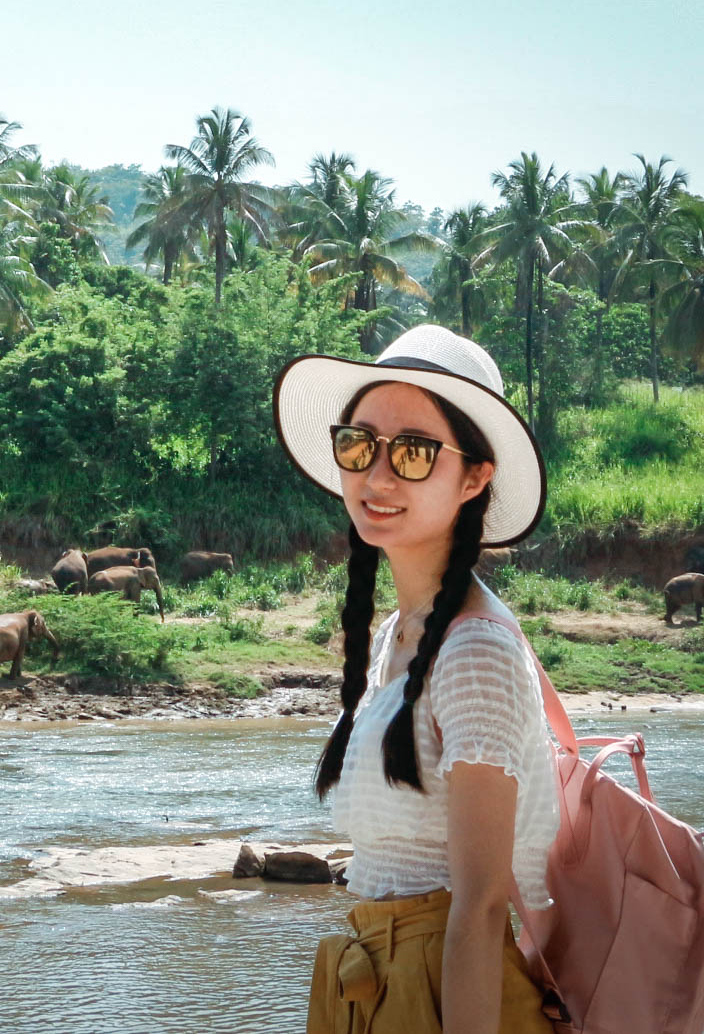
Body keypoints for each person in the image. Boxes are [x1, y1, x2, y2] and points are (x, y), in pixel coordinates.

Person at [274, 324, 560, 1033]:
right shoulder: (392, 640)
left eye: (412, 451)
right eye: (359, 444)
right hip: (374, 982)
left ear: (474, 476)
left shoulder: (474, 652)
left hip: (437, 992)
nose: (376, 476)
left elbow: (482, 903)